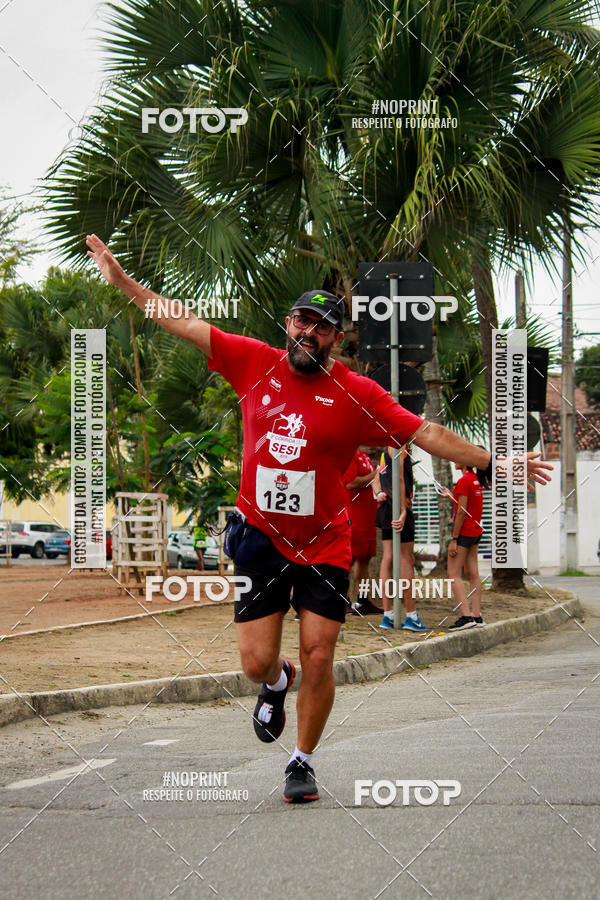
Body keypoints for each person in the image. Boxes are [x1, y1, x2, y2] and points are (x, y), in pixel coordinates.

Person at [86, 233, 552, 804]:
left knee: (321, 653)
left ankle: (301, 761)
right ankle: (276, 684)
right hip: (260, 537)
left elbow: (424, 432)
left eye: (323, 325)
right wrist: (122, 281)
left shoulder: (356, 393)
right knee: (257, 662)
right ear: (288, 324)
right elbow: (182, 321)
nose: (310, 331)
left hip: (324, 544)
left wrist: (490, 463)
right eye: (302, 321)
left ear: (335, 337)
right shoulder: (252, 361)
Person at [372, 444, 425, 632]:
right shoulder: (398, 448)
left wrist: (378, 493)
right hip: (400, 507)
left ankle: (388, 615)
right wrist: (403, 510)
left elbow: (376, 478)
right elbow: (401, 478)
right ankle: (411, 615)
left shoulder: (384, 451)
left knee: (388, 557)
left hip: (386, 508)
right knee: (406, 559)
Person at [441, 462, 484, 629]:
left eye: (457, 457)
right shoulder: (474, 480)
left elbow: (461, 512)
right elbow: (467, 505)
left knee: (453, 574)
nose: (454, 460)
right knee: (473, 574)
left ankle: (466, 617)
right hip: (475, 531)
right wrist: (452, 496)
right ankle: (477, 616)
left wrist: (454, 539)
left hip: (464, 533)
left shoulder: (464, 481)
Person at [343, 449, 383, 616]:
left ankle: (363, 599)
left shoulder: (364, 454)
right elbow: (350, 483)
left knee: (365, 557)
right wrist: (375, 474)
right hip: (354, 514)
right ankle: (341, 598)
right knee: (349, 558)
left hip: (368, 514)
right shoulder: (349, 454)